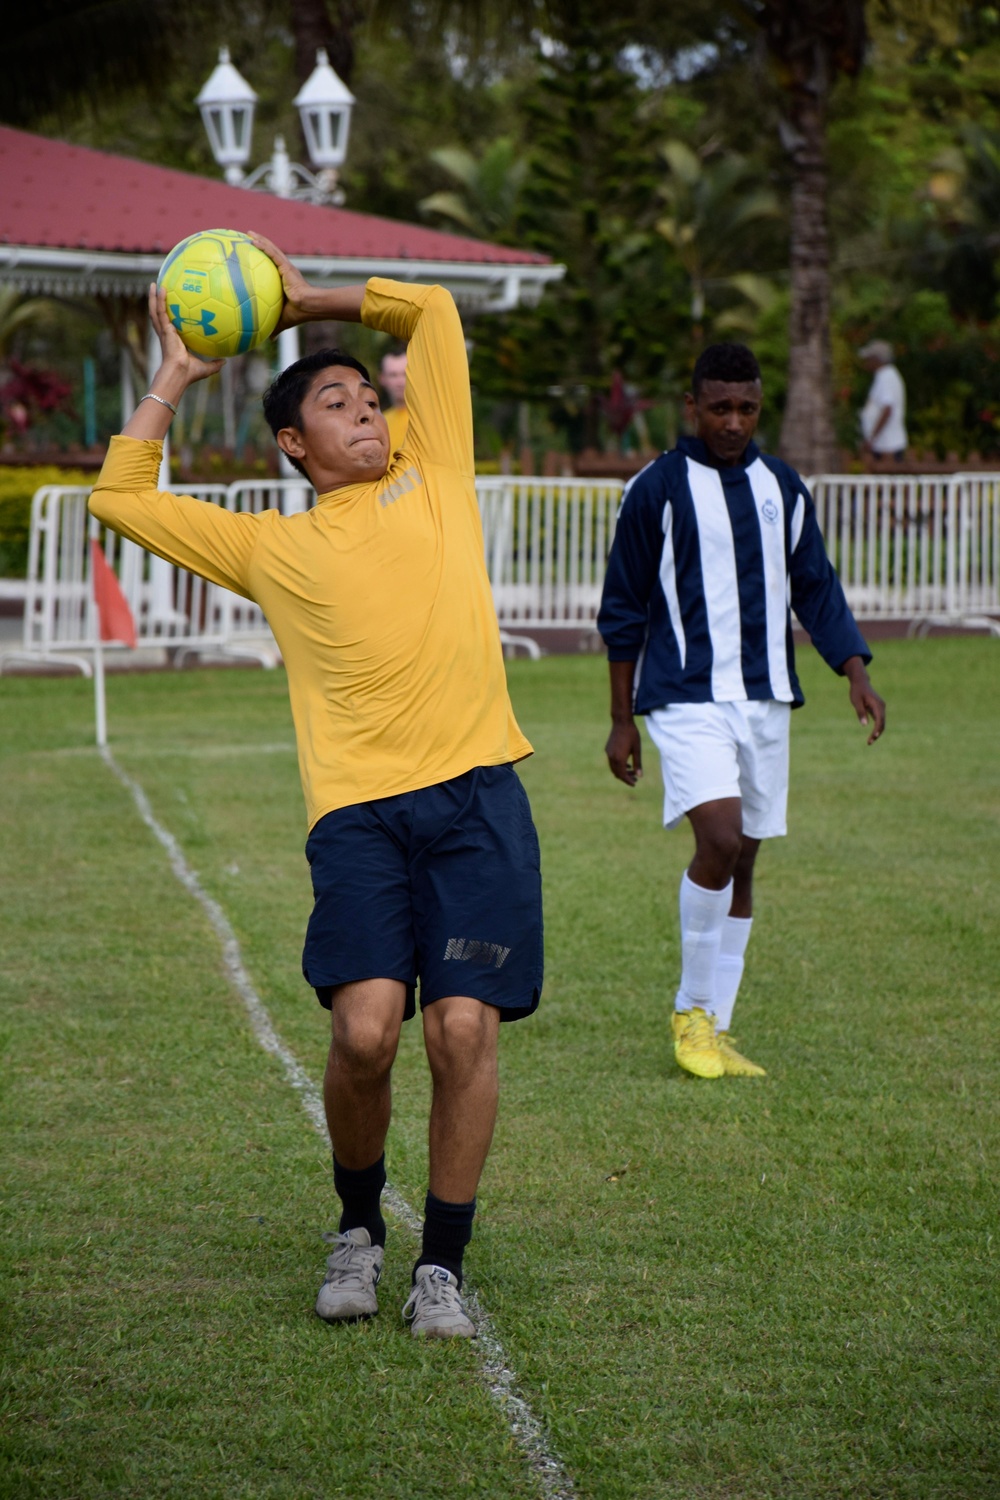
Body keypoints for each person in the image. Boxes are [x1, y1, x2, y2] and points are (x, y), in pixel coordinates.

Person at [88, 234, 543, 1338]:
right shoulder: (272, 549)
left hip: (478, 795)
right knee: (367, 1035)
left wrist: (302, 304)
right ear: (295, 444)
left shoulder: (436, 476)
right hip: (357, 819)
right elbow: (118, 497)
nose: (366, 416)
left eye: (366, 399)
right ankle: (356, 1231)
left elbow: (429, 313)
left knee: (463, 1033)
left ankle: (441, 1263)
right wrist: (178, 374)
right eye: (336, 406)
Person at [597, 342, 885, 1080]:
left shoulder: (781, 487)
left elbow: (814, 586)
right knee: (719, 840)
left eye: (747, 409)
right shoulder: (655, 490)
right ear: (691, 407)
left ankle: (719, 1028)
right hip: (684, 695)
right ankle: (690, 1011)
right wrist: (621, 717)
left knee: (746, 859)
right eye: (719, 407)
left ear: (760, 409)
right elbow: (623, 608)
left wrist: (853, 669)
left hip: (765, 697)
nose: (732, 422)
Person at [858, 339, 907, 463]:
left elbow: (887, 409)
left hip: (888, 447)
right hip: (883, 445)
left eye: (869, 358)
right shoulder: (883, 376)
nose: (866, 362)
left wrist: (872, 438)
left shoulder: (887, 376)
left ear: (877, 359)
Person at [379, 346, 409, 452]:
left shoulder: (429, 417)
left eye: (405, 374)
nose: (400, 382)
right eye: (393, 375)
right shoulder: (379, 423)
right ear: (382, 379)